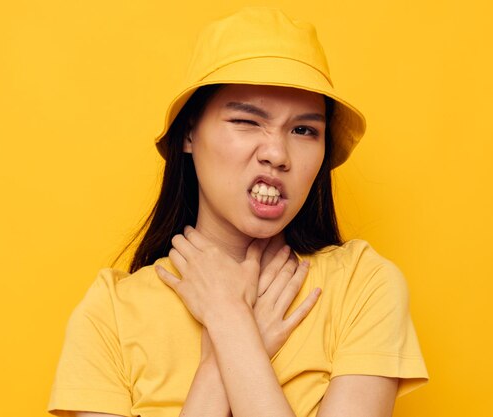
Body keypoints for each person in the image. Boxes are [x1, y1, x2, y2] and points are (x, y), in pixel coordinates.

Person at [48, 7, 429, 417]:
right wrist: (230, 343)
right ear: (190, 132)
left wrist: (229, 322)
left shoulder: (362, 284)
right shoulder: (112, 313)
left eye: (304, 130)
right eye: (247, 121)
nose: (277, 154)